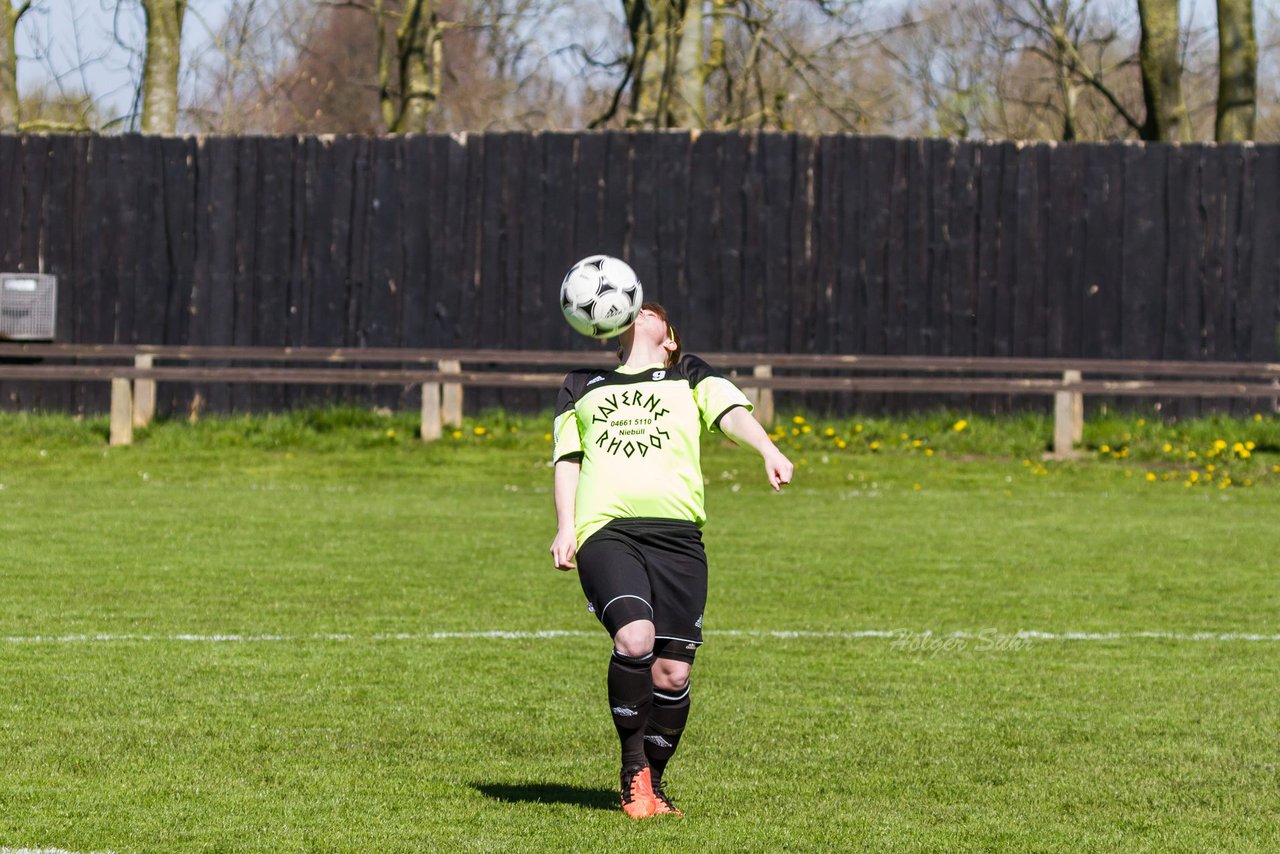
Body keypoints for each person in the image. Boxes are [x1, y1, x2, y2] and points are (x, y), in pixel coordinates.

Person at [549, 302, 794, 819]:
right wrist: (567, 526)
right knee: (634, 637)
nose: (640, 312)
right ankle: (633, 770)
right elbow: (568, 458)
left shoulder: (688, 372)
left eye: (651, 310)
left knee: (672, 675)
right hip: (608, 532)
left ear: (670, 339)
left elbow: (731, 414)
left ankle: (653, 785)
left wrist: (768, 450)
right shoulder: (582, 383)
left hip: (679, 540)